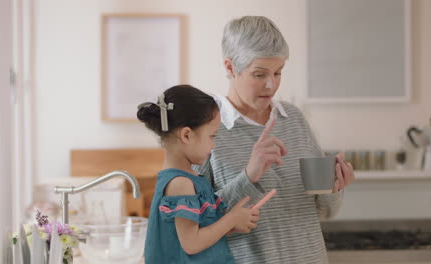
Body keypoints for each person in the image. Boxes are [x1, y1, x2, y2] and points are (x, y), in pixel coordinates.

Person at [193, 16, 355, 263]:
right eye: (259, 74)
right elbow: (194, 224)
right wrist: (248, 177)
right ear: (229, 67)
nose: (271, 85)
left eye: (278, 72)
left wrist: (334, 187)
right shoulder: (204, 128)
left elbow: (325, 211)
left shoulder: (293, 119)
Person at [139, 85, 260, 263]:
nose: (214, 145)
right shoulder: (180, 183)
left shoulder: (189, 179)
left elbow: (201, 231)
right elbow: (192, 243)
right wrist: (231, 218)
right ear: (187, 135)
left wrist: (232, 224)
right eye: (212, 136)